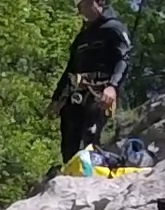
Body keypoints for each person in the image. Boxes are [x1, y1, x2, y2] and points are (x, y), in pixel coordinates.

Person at [47, 0, 133, 165]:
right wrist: (56, 99)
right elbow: (70, 69)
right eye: (79, 6)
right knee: (68, 139)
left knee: (91, 135)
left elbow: (124, 59)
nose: (82, 9)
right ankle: (72, 174)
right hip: (77, 92)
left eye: (85, 4)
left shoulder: (113, 28)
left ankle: (96, 174)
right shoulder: (82, 37)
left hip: (101, 91)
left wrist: (112, 86)